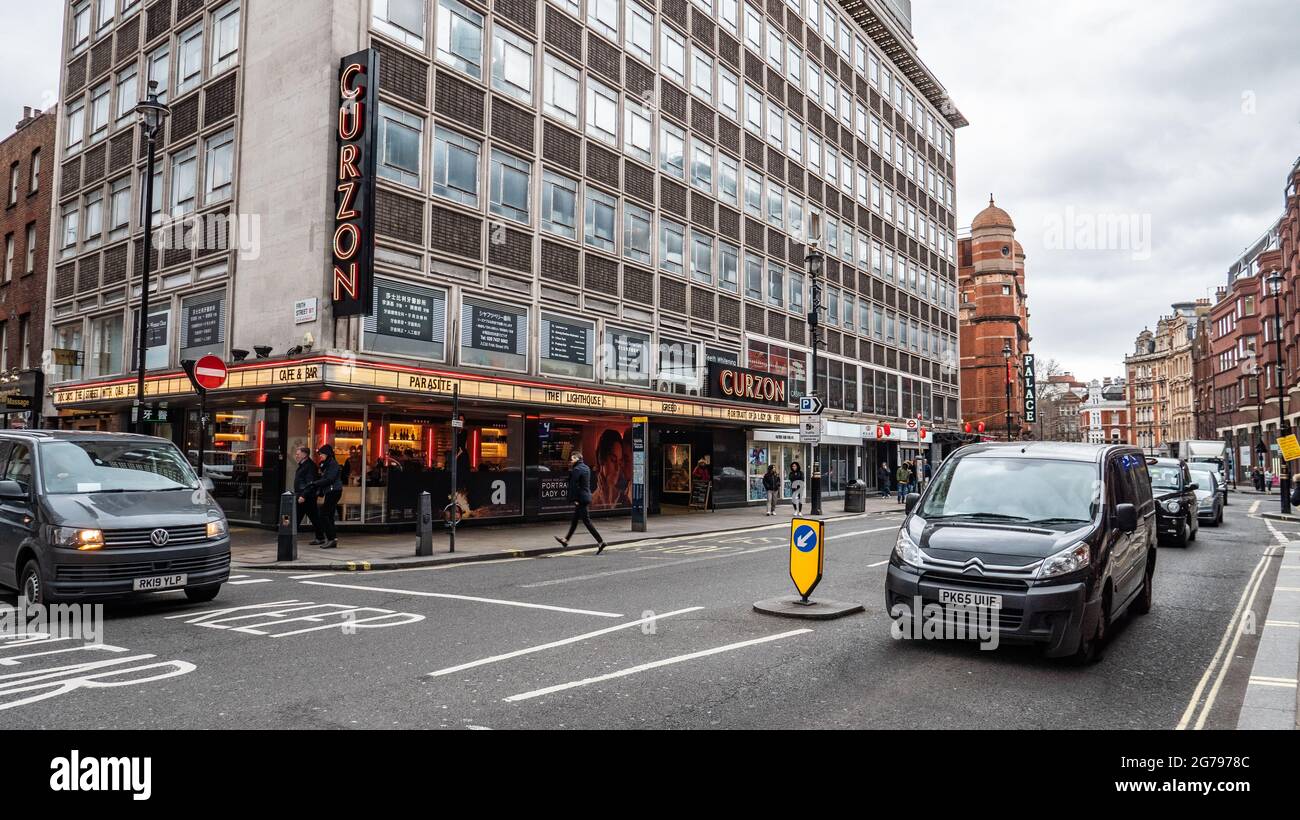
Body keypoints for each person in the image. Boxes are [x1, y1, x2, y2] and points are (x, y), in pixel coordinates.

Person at [554, 452, 607, 554]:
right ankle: (566, 540)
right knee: (575, 521)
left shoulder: (577, 469)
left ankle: (601, 542)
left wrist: (574, 499)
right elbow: (582, 482)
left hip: (580, 499)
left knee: (587, 522)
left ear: (578, 459)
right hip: (586, 496)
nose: (571, 460)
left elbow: (574, 486)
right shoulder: (586, 468)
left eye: (573, 458)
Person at [310, 444, 343, 549]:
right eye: (320, 454)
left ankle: (331, 538)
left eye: (322, 454)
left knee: (323, 514)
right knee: (329, 515)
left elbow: (330, 479)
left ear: (327, 454)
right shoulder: (326, 464)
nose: (320, 456)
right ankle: (333, 539)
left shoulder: (333, 464)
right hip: (331, 491)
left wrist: (316, 483)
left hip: (334, 491)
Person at [293, 446, 324, 546]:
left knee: (310, 517)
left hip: (306, 496)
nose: (296, 456)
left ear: (304, 455)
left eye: (298, 454)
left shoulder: (310, 466)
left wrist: (303, 495)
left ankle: (291, 536)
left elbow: (310, 483)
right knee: (304, 517)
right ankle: (320, 537)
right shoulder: (303, 465)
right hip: (303, 495)